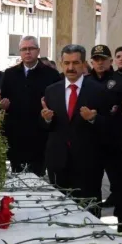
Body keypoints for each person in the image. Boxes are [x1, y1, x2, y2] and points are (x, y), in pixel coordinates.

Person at [41, 44, 108, 215]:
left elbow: (110, 125)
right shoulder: (51, 91)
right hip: (59, 161)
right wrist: (47, 120)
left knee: (89, 211)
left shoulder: (98, 90)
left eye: (76, 63)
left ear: (84, 64)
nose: (71, 68)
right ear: (61, 63)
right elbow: (46, 127)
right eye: (67, 63)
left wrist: (93, 119)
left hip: (88, 162)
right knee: (61, 210)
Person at [0, 35, 61, 175]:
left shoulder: (51, 75)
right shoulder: (10, 74)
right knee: (18, 178)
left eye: (31, 48)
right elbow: (4, 99)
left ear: (38, 51)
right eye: (24, 49)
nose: (27, 52)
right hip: (16, 137)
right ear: (20, 52)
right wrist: (2, 105)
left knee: (37, 178)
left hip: (40, 136)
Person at [86, 45, 122, 234]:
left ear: (111, 61)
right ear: (91, 62)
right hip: (91, 143)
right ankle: (94, 224)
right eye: (96, 59)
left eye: (103, 58)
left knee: (118, 187)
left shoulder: (121, 81)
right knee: (92, 187)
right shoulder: (85, 82)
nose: (100, 62)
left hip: (113, 143)